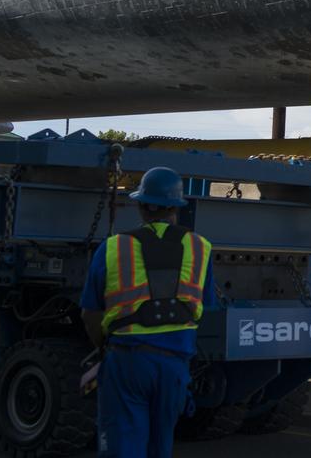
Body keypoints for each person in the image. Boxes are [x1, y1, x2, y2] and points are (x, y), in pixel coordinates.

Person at [81, 167, 217, 458]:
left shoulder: (113, 248)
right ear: (178, 207)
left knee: (122, 446)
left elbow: (90, 312)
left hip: (127, 361)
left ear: (141, 206)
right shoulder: (200, 247)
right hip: (174, 366)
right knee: (161, 445)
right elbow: (207, 307)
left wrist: (103, 348)